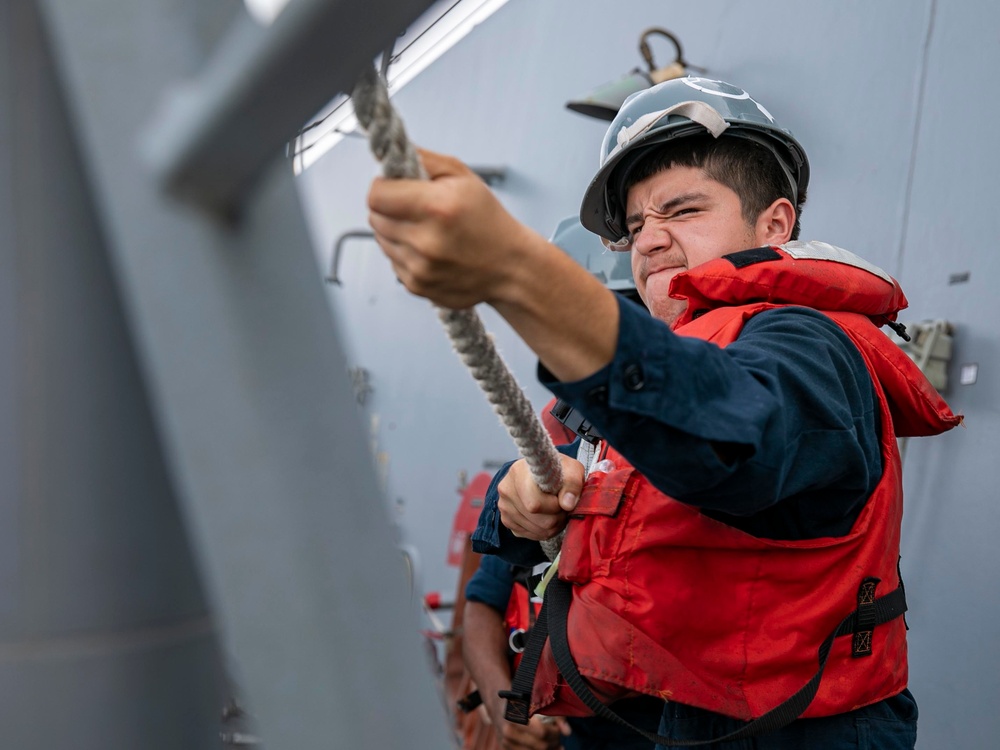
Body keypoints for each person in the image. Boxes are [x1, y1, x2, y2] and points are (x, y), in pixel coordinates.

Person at [367, 77, 960, 748]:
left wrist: (516, 270)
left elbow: (730, 433)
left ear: (775, 225)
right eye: (637, 225)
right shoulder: (650, 385)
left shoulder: (809, 343)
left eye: (682, 210)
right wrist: (529, 494)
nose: (648, 241)